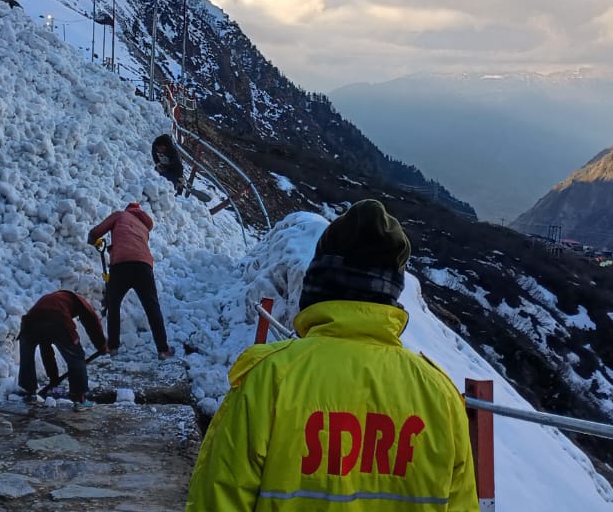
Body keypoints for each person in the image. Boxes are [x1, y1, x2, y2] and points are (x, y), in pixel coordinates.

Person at [185, 200, 477, 511]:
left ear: (316, 284)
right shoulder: (441, 397)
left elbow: (216, 502)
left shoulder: (268, 378)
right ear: (391, 294)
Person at [88, 201, 173, 358]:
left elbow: (94, 233)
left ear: (128, 209)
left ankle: (113, 347)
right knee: (152, 307)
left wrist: (95, 241)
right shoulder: (144, 228)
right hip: (144, 266)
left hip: (121, 265)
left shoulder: (120, 215)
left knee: (113, 305)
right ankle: (163, 349)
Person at [17, 290, 108, 408]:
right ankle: (80, 400)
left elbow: (46, 350)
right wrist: (101, 345)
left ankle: (30, 393)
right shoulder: (79, 300)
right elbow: (92, 321)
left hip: (29, 322)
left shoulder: (51, 300)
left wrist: (53, 378)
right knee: (76, 356)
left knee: (26, 356)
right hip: (57, 318)